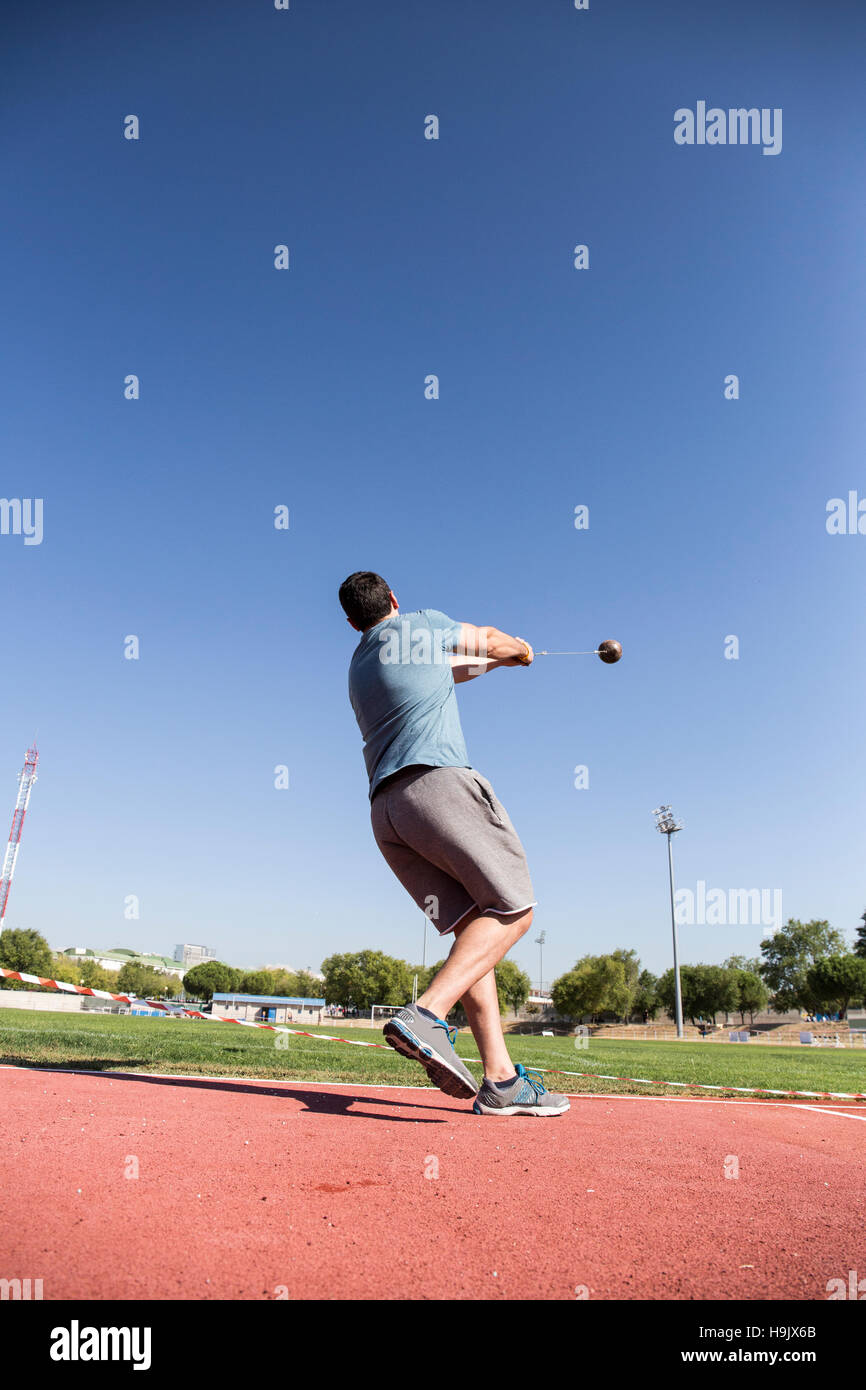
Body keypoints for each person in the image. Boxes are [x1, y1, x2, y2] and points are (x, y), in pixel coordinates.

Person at [339, 571, 569, 1118]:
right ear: (395, 600)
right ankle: (427, 1013)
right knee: (515, 910)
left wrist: (496, 664)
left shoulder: (361, 665)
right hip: (437, 787)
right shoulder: (418, 625)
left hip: (388, 813)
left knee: (475, 929)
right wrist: (517, 650)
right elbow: (484, 638)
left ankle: (502, 1080)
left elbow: (451, 670)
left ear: (352, 623)